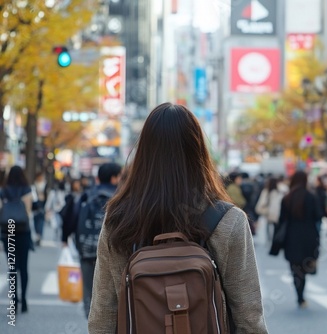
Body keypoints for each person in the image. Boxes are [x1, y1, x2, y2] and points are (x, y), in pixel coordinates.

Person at [88, 103, 267, 333]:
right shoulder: (227, 220)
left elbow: (103, 314)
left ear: (143, 153)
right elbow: (248, 316)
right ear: (199, 151)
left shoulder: (119, 220)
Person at [77, 163, 122, 319]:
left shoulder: (87, 195)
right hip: (112, 249)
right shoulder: (120, 197)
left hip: (87, 249)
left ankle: (89, 320)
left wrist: (65, 240)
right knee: (111, 291)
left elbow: (72, 218)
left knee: (89, 289)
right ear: (114, 178)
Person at [279, 171, 321, 309]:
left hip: (291, 237)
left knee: (295, 268)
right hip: (309, 236)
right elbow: (318, 216)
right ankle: (301, 295)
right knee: (304, 266)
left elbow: (281, 221)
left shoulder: (287, 198)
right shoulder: (311, 197)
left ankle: (299, 295)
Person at [0, 166, 33, 313]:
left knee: (12, 267)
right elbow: (28, 212)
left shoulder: (3, 191)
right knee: (24, 268)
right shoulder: (26, 190)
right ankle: (24, 300)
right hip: (23, 231)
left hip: (8, 232)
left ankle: (14, 299)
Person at [255, 177, 285, 242]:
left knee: (268, 229)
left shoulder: (266, 191)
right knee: (276, 230)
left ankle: (269, 241)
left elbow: (261, 204)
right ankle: (274, 241)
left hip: (268, 214)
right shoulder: (280, 192)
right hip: (278, 215)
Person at [60, 179, 83, 247]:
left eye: (78, 184)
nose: (77, 186)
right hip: (69, 219)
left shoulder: (83, 195)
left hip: (78, 221)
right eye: (75, 184)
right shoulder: (69, 196)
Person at [32, 172, 47, 246]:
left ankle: (39, 236)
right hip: (35, 206)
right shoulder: (34, 185)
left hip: (42, 207)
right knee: (36, 222)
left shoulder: (45, 185)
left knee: (40, 222)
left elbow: (48, 196)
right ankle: (37, 235)